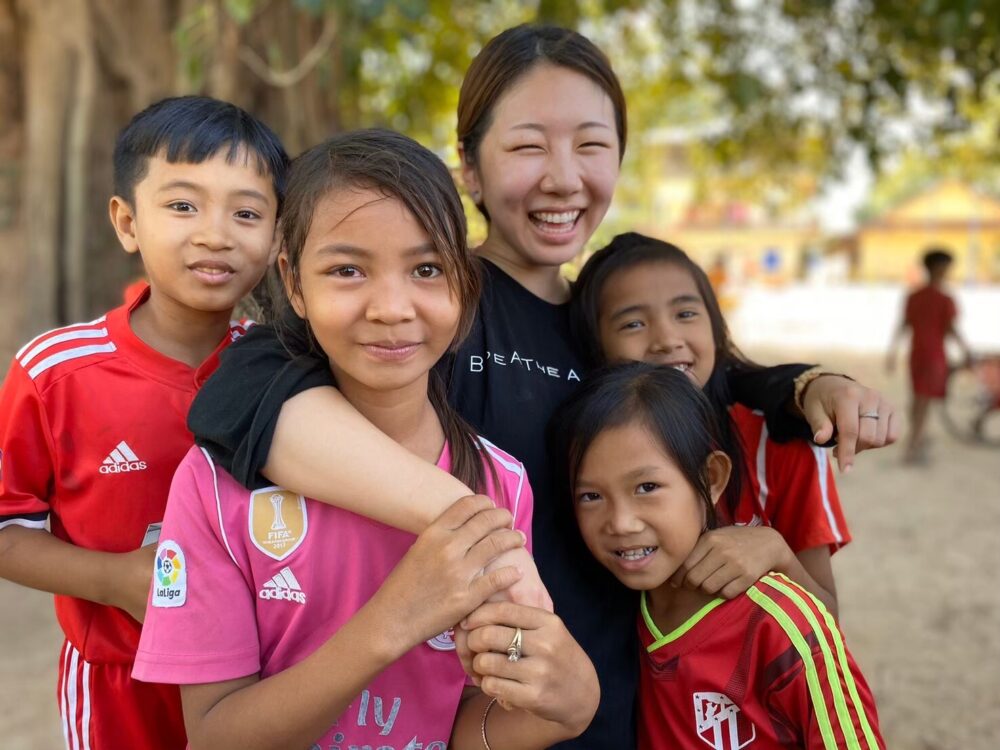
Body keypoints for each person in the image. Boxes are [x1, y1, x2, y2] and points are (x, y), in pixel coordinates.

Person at [183, 25, 895, 749]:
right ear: (470, 167)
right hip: (470, 720)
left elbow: (711, 375)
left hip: (619, 713)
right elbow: (240, 398)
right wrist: (471, 521)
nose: (563, 178)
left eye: (592, 146)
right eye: (528, 147)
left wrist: (805, 384)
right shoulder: (428, 312)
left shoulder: (610, 317)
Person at [133, 129, 598, 750]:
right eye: (347, 269)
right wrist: (392, 622)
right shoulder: (215, 485)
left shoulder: (497, 483)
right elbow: (215, 734)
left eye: (427, 268)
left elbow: (465, 720)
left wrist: (561, 705)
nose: (391, 307)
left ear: (464, 284)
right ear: (293, 283)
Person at [0, 96, 288, 749]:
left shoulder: (278, 372)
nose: (215, 233)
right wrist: (117, 581)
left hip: (257, 676)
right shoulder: (55, 372)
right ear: (127, 222)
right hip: (118, 685)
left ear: (276, 238)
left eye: (246, 213)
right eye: (183, 205)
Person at [550, 363, 885, 749]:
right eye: (591, 496)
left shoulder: (778, 622)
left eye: (646, 486)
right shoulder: (617, 612)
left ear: (711, 479)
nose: (621, 523)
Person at [570, 233, 863, 617]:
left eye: (686, 314)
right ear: (595, 346)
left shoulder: (777, 442)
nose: (667, 339)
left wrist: (775, 552)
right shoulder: (585, 447)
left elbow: (828, 621)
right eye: (633, 323)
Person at [887, 246, 972, 463]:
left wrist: (892, 353)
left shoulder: (914, 296)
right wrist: (967, 351)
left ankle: (917, 440)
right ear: (938, 268)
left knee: (918, 399)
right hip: (934, 356)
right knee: (923, 402)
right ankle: (913, 447)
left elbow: (903, 325)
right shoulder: (944, 299)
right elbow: (951, 330)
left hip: (917, 354)